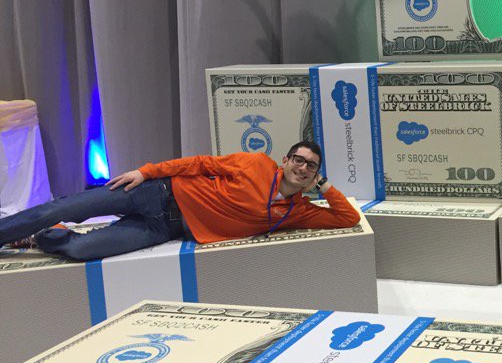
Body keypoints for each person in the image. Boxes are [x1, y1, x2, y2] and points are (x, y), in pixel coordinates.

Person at [0, 141, 361, 261]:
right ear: (285, 160)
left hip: (165, 229)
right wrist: (146, 171)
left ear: (314, 176)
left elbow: (347, 218)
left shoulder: (298, 212)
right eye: (297, 159)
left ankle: (40, 237)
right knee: (62, 208)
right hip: (156, 193)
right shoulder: (256, 164)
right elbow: (200, 164)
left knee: (81, 250)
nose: (302, 167)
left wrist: (325, 185)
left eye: (311, 167)